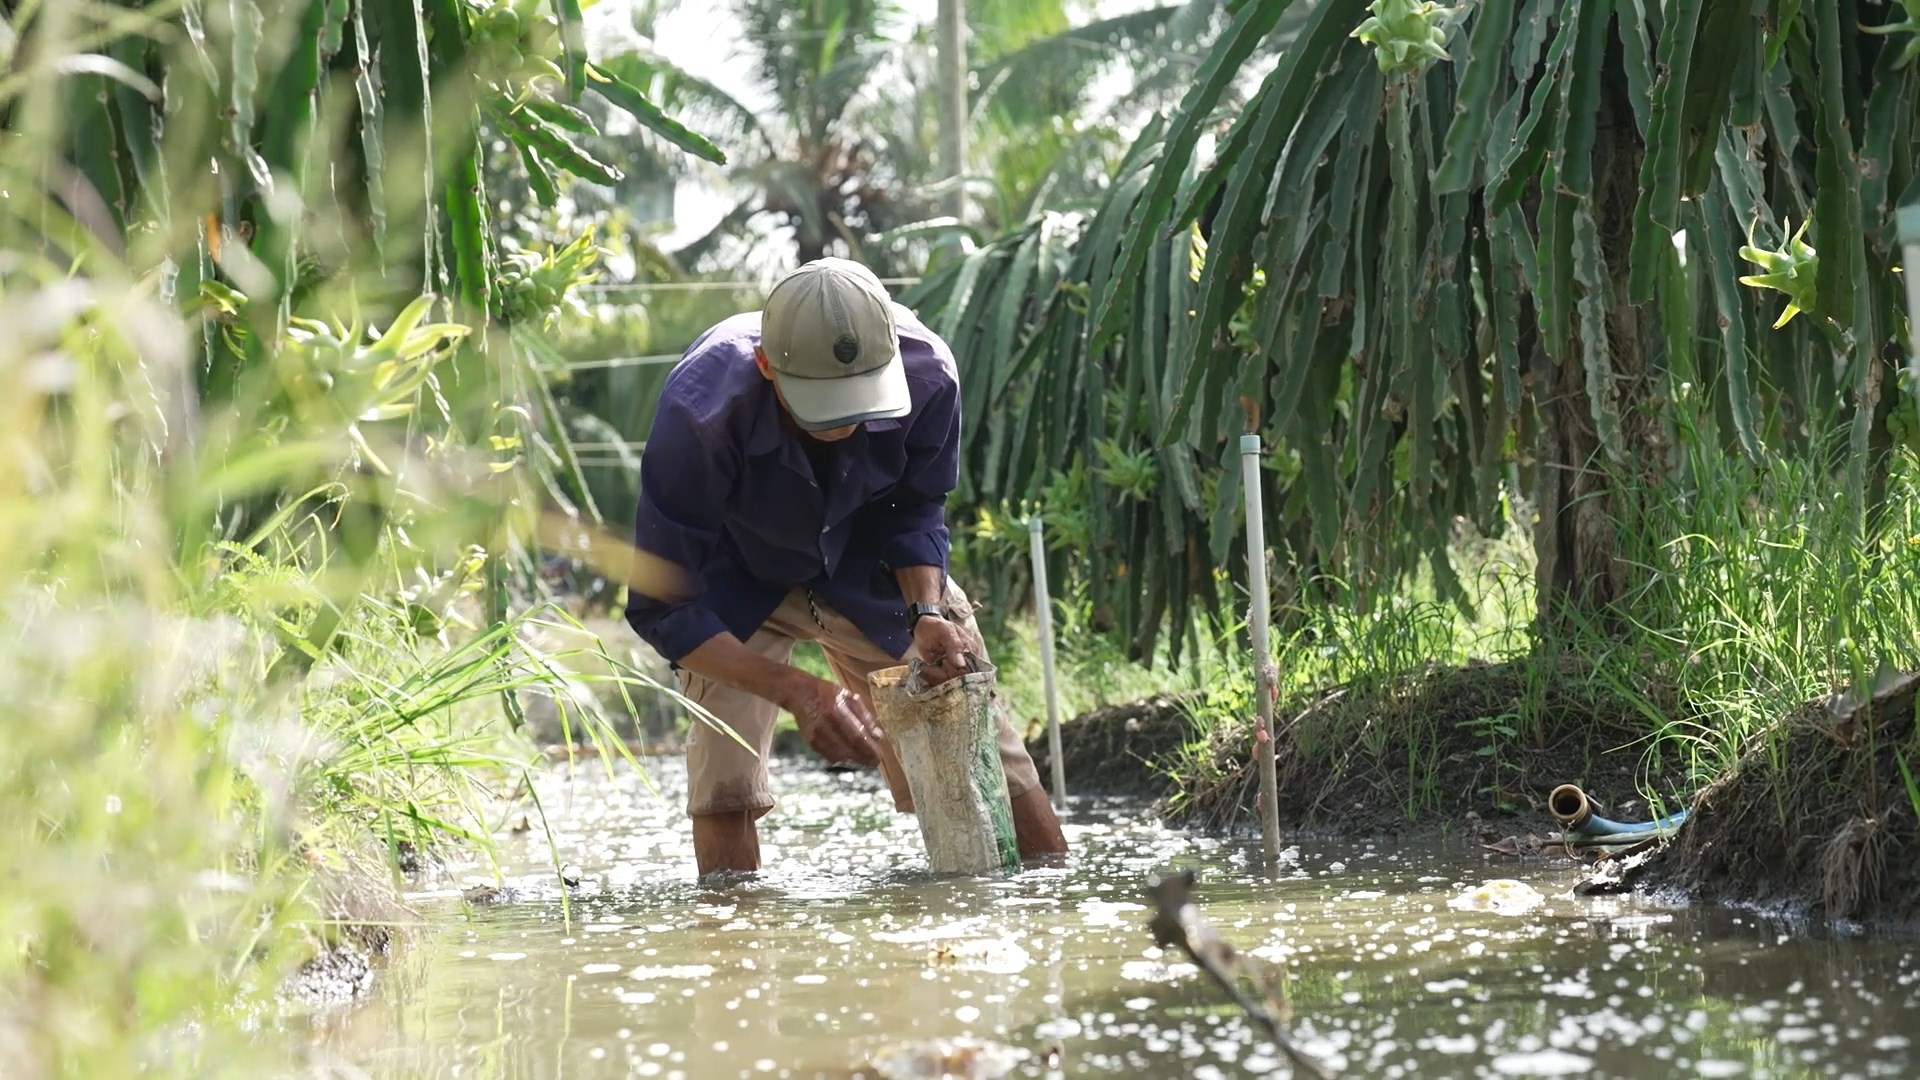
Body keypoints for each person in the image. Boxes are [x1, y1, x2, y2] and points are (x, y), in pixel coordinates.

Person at [622, 257, 1068, 877]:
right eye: (822, 404)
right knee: (724, 789)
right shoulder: (700, 410)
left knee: (978, 752)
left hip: (869, 562)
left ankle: (1042, 903)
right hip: (733, 579)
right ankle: (732, 947)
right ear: (766, 366)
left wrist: (928, 611)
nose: (847, 421)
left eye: (859, 399)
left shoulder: (928, 375)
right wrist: (796, 691)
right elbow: (661, 604)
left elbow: (916, 509)